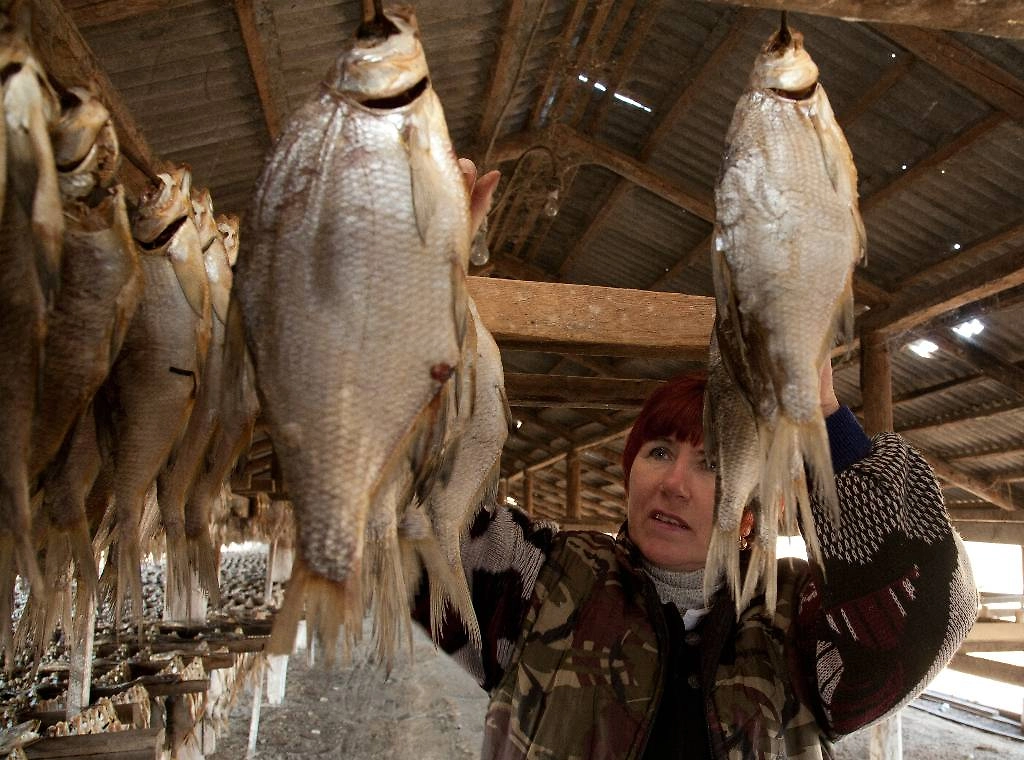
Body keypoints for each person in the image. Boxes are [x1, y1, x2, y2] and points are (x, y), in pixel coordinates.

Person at [413, 163, 978, 759]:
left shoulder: (796, 626)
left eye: (711, 464)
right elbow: (419, 515)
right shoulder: (545, 580)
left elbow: (929, 613)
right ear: (629, 474)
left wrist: (821, 418)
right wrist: (424, 291)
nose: (674, 483)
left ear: (753, 514)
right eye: (658, 452)